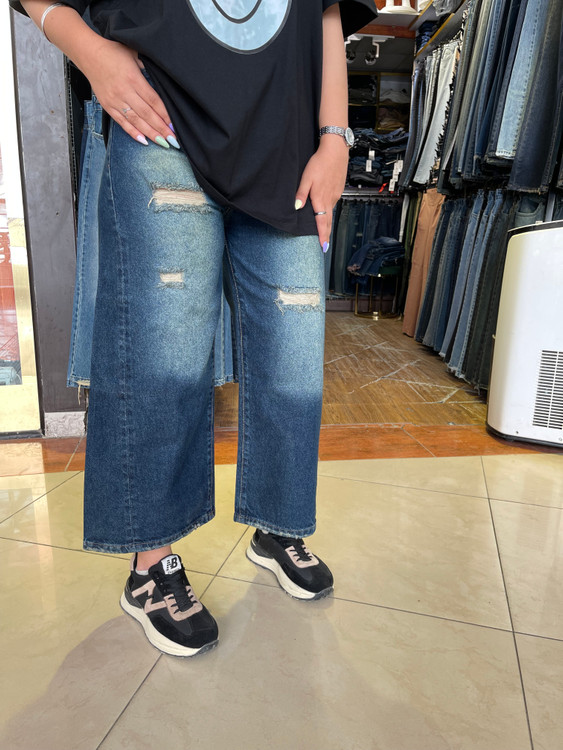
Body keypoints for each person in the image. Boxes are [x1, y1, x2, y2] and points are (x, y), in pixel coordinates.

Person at [14, 0, 377, 657]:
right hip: (158, 119)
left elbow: (327, 9)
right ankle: (150, 568)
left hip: (289, 143)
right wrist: (93, 55)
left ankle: (277, 522)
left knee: (293, 359)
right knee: (165, 357)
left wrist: (335, 136)